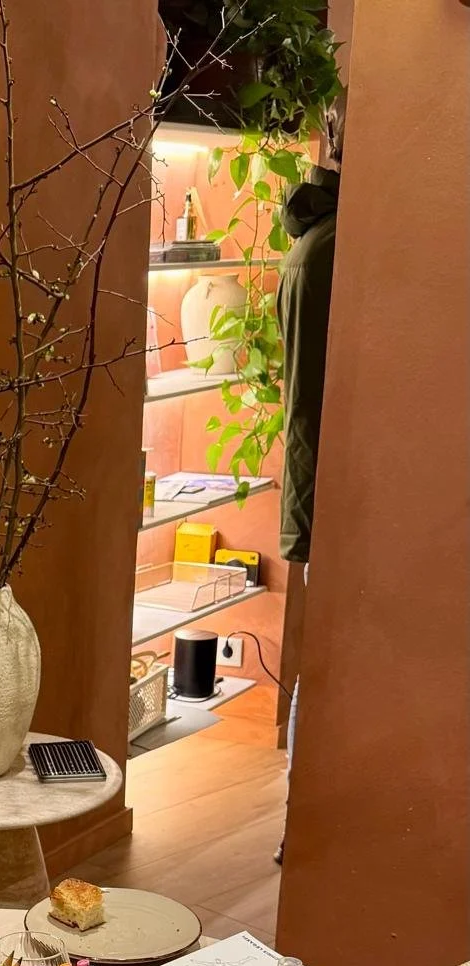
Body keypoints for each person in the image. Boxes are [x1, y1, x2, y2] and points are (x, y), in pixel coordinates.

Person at [273, 89, 345, 865]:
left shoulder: (319, 242)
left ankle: (302, 820)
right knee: (327, 661)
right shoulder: (330, 251)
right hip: (331, 486)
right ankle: (304, 821)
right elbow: (316, 404)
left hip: (321, 484)